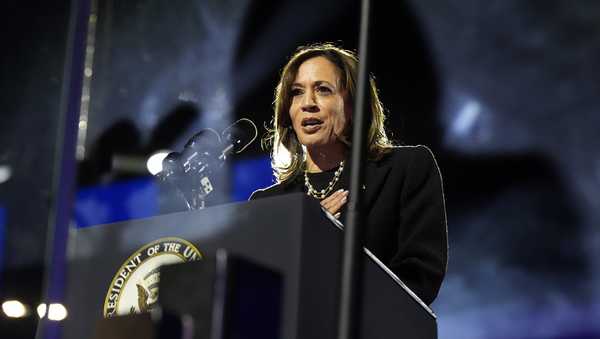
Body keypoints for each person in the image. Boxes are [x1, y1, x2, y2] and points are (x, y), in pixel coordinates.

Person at [249, 43, 447, 305]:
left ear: (354, 105)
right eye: (297, 93)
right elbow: (258, 296)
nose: (308, 103)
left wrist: (327, 243)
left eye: (323, 90)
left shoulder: (405, 169)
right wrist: (306, 241)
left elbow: (419, 280)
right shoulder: (267, 204)